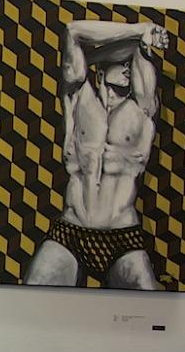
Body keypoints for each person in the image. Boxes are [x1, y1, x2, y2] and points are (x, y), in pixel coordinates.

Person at [25, 19, 169, 289]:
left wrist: (132, 44)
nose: (127, 67)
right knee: (29, 297)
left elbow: (138, 49)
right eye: (120, 62)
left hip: (123, 236)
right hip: (71, 231)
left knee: (149, 307)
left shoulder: (142, 109)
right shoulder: (77, 98)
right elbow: (73, 32)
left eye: (129, 63)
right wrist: (139, 29)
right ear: (100, 73)